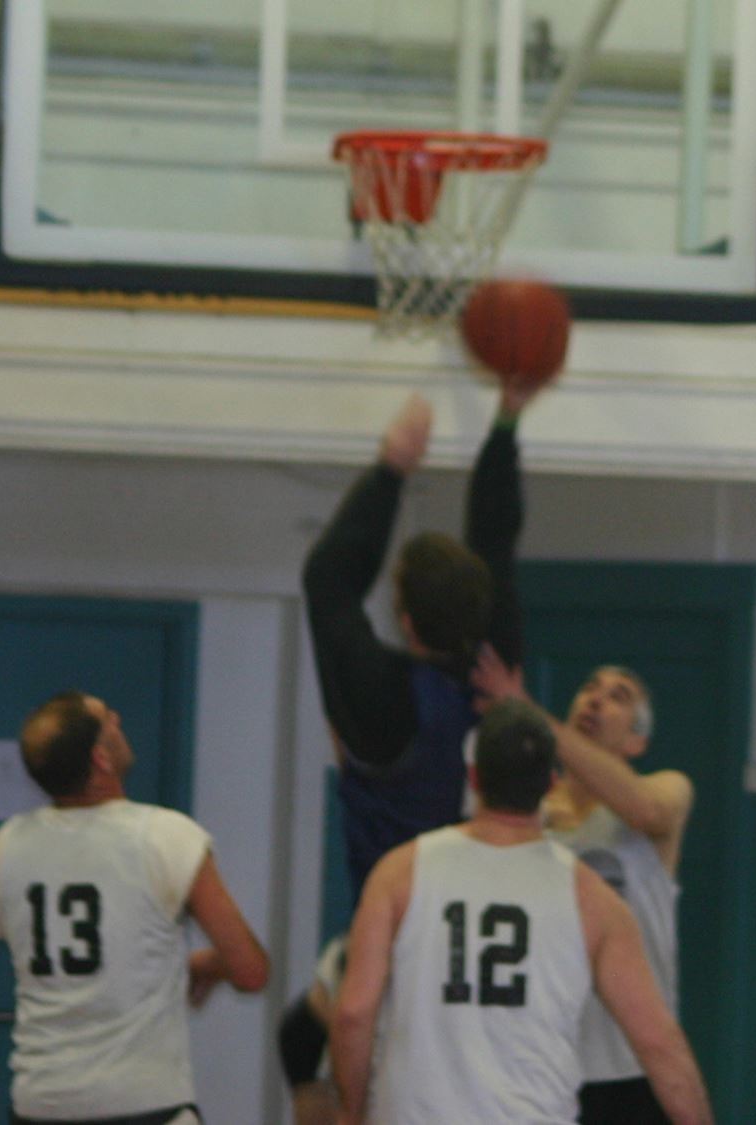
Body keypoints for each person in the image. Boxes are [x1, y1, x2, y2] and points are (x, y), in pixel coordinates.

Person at [280, 383, 539, 1119]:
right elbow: (497, 541)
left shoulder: (379, 695)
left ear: (402, 615)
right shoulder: (498, 672)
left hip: (398, 935)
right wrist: (505, 424)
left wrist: (392, 468)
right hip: (494, 939)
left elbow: (327, 581)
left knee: (331, 1054)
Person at [0, 690, 269, 1125]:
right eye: (109, 719)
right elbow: (252, 971)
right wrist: (211, 966)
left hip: (43, 1106)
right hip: (146, 1107)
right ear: (101, 759)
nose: (119, 717)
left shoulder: (7, 849)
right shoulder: (167, 837)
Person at [329, 699, 712, 1125]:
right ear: (551, 783)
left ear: (474, 777)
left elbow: (353, 1014)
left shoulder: (401, 872)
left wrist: (351, 1110)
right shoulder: (592, 898)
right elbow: (660, 1044)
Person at [475, 657, 693, 1124]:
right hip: (540, 1064)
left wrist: (527, 711)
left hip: (628, 1066)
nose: (596, 698)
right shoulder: (524, 813)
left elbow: (644, 809)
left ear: (637, 740)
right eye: (590, 687)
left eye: (618, 696)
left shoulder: (666, 791)